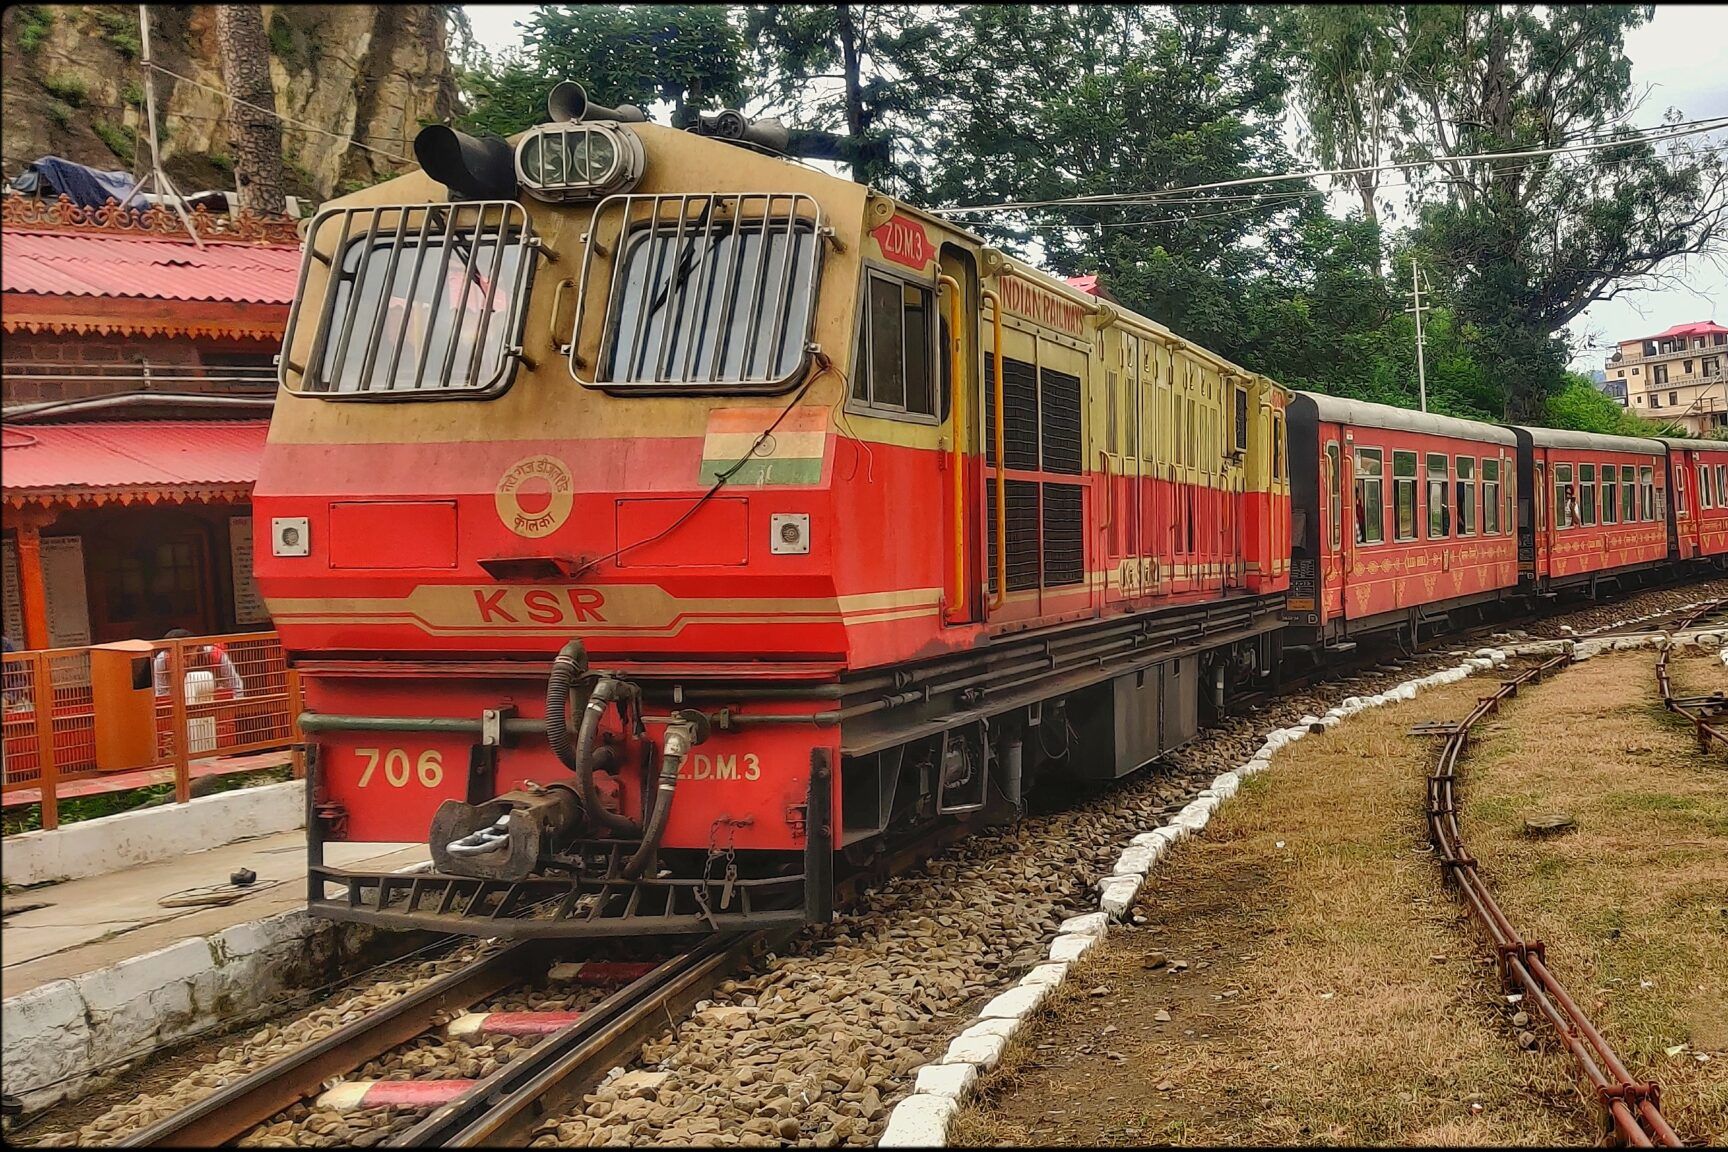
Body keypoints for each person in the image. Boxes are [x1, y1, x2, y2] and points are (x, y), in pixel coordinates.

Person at [152, 629, 245, 699]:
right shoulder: (161, 661)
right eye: (176, 657)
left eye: (187, 657)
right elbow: (161, 693)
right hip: (180, 705)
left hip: (213, 700)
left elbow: (236, 686)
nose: (184, 662)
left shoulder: (216, 655)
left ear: (197, 647)